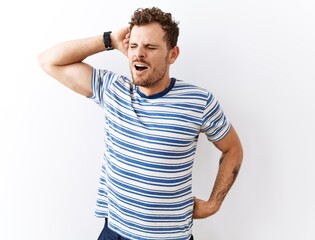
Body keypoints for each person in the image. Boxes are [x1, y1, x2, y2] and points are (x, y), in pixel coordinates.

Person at [38, 6, 243, 240]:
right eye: (133, 46)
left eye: (150, 47)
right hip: (113, 233)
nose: (138, 54)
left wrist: (214, 204)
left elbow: (232, 149)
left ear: (173, 54)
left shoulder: (199, 101)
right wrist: (109, 40)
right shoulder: (112, 89)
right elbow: (49, 61)